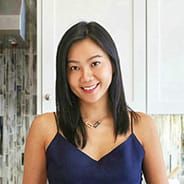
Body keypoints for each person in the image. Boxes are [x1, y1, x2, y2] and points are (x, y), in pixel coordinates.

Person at [23, 21, 168, 184]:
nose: (86, 77)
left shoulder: (142, 126)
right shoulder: (44, 128)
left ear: (112, 65)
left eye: (95, 64)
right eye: (74, 68)